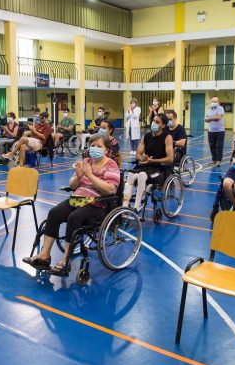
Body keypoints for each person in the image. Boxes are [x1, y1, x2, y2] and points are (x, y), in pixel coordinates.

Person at [23, 133, 120, 276]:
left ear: (106, 150)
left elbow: (110, 189)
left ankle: (65, 261)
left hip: (98, 202)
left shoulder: (111, 164)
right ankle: (44, 256)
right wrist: (80, 176)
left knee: (74, 218)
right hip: (79, 198)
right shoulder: (87, 161)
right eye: (92, 145)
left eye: (98, 146)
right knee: (54, 213)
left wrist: (90, 175)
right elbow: (72, 184)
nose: (94, 148)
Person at [122, 113, 174, 212]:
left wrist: (152, 160)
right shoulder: (146, 136)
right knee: (131, 175)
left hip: (160, 169)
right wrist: (143, 159)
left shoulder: (167, 137)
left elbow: (170, 159)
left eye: (157, 122)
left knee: (141, 175)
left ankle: (137, 207)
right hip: (146, 166)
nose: (153, 123)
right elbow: (138, 154)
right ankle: (124, 207)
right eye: (153, 120)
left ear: (163, 126)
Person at [205, 96, 225, 167]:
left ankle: (219, 161)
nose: (213, 103)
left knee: (219, 146)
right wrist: (210, 118)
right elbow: (206, 119)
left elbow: (218, 117)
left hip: (220, 131)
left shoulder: (220, 108)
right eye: (212, 101)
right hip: (211, 131)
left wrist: (209, 118)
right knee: (212, 146)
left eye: (215, 101)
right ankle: (214, 160)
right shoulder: (209, 109)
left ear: (218, 102)